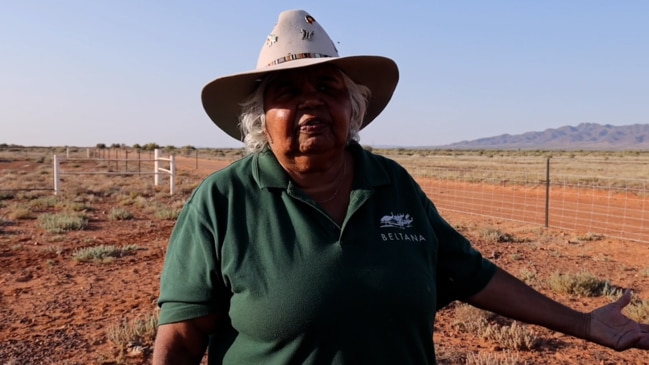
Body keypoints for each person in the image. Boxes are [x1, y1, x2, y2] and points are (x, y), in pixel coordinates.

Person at [153, 9, 649, 364]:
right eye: (289, 93)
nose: (313, 103)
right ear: (262, 119)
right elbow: (180, 337)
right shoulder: (222, 201)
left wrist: (584, 324)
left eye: (328, 89)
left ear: (353, 109)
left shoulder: (392, 184)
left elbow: (470, 274)